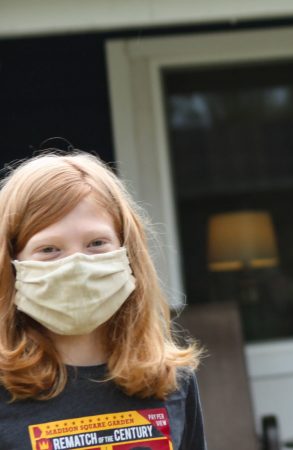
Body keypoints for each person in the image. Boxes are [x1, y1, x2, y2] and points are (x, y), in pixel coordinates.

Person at [0, 152, 206, 449]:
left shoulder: (171, 379)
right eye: (49, 249)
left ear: (127, 252)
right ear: (10, 263)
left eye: (96, 243)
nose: (77, 266)